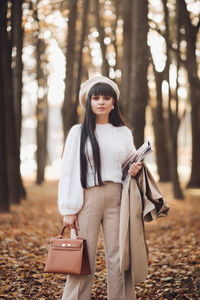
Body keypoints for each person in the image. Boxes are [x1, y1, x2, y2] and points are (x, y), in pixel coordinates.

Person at [58, 75, 142, 300]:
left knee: (119, 257)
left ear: (114, 102)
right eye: (96, 98)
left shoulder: (122, 132)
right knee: (83, 257)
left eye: (107, 97)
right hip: (88, 198)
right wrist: (68, 209)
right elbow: (69, 170)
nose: (101, 102)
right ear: (88, 102)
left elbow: (128, 165)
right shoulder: (78, 132)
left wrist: (133, 170)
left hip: (117, 198)